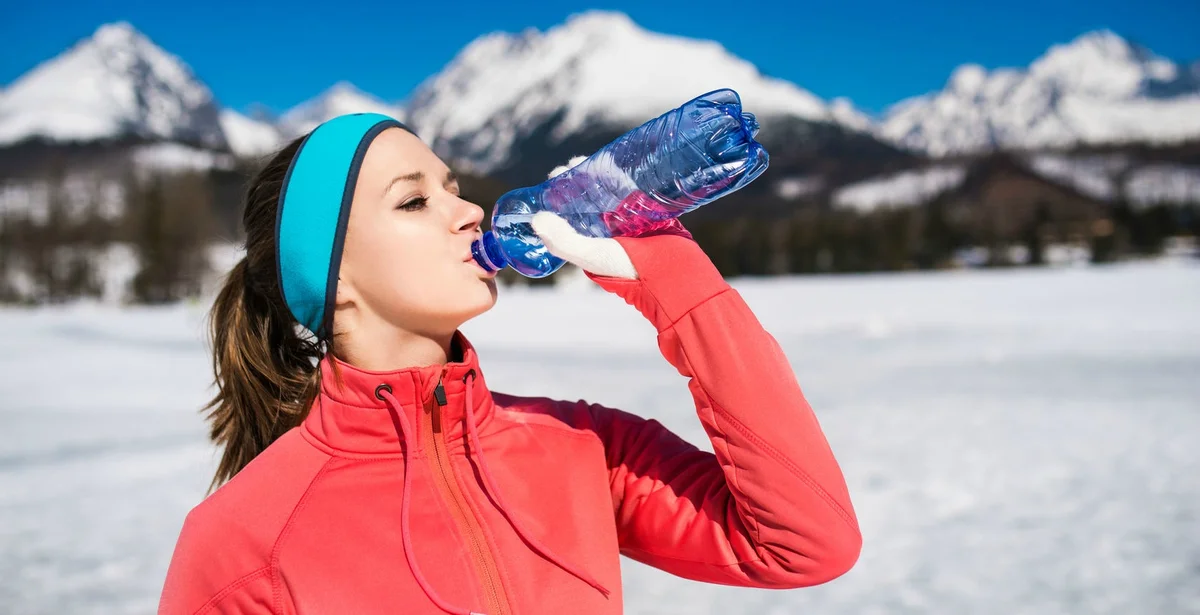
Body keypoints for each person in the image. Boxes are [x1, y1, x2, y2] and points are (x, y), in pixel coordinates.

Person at [157, 113, 861, 615]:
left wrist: (671, 276)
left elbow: (806, 543)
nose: (468, 211)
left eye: (453, 185)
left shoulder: (585, 448)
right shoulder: (242, 542)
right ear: (332, 277)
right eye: (414, 200)